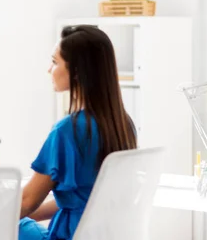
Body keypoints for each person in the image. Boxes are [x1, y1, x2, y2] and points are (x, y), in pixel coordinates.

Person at [18, 25, 137, 240]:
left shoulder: (67, 131)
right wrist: (29, 215)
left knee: (10, 226)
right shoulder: (123, 125)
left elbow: (26, 201)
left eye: (55, 62)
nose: (49, 70)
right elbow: (85, 200)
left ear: (77, 72)